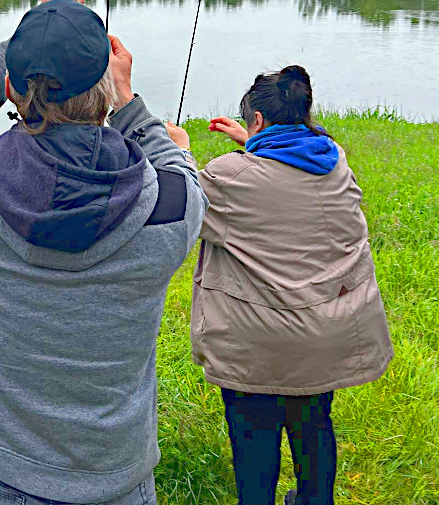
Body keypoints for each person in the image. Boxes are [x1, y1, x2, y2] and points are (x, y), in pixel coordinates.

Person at [0, 0, 207, 504]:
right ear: (107, 91)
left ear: (12, 85)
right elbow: (176, 162)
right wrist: (130, 103)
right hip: (118, 478)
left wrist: (34, 35)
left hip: (0, 475)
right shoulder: (169, 209)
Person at [166, 66, 393, 505]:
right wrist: (253, 144)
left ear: (256, 120)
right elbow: (295, 159)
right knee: (313, 426)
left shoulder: (228, 176)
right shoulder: (335, 160)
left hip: (258, 350)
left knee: (255, 441)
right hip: (325, 339)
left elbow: (184, 201)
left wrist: (179, 151)